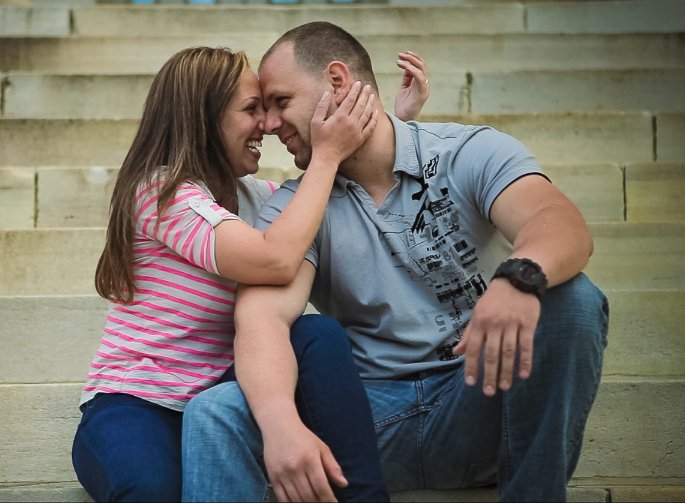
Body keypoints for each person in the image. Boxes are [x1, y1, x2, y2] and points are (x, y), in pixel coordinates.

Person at [182, 22, 609, 503]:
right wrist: (280, 425)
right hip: (361, 421)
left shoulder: (464, 151)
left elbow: (558, 221)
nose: (268, 124)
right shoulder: (295, 207)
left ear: (338, 83)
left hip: (481, 396)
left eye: (280, 102)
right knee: (217, 410)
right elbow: (262, 320)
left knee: (572, 299)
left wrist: (516, 280)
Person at [71, 45, 430, 502]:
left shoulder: (259, 198)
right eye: (251, 109)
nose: (267, 124)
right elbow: (274, 259)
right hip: (138, 404)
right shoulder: (159, 193)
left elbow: (342, 194)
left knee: (316, 335)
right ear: (204, 119)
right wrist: (324, 156)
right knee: (152, 489)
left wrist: (393, 127)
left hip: (226, 395)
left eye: (269, 108)